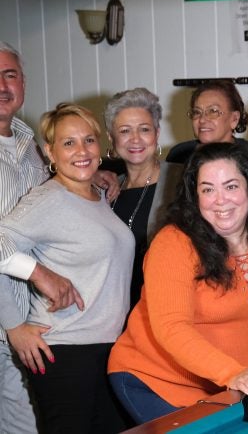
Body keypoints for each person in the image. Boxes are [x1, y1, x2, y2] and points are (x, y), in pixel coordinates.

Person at [108, 142, 248, 424]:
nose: (220, 200)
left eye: (231, 186)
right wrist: (233, 373)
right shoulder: (174, 243)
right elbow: (172, 327)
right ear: (194, 196)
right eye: (207, 189)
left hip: (235, 386)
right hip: (155, 382)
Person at [0, 102, 134, 434]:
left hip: (107, 348)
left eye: (88, 140)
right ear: (50, 152)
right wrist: (15, 326)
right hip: (65, 351)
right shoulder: (47, 199)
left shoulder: (96, 195)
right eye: (68, 143)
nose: (81, 151)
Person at [0, 41, 91, 434]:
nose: (2, 86)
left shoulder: (28, 143)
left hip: (24, 328)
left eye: (9, 74)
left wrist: (96, 180)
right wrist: (13, 322)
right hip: (12, 323)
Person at [104, 88, 182, 311]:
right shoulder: (103, 191)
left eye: (144, 129)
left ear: (157, 133)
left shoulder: (182, 181)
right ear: (111, 137)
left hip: (165, 310)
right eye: (125, 130)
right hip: (115, 314)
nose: (135, 139)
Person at [165, 80, 248, 173]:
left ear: (234, 119)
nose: (202, 119)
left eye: (213, 111)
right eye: (197, 112)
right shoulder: (180, 154)